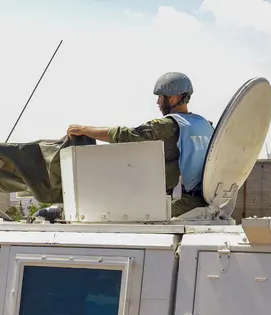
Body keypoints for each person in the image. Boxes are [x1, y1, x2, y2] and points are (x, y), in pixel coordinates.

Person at [66, 72, 215, 216]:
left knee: (123, 214)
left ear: (173, 98)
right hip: (206, 200)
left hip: (183, 203)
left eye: (160, 98)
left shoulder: (169, 125)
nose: (157, 102)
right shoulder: (204, 124)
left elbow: (126, 135)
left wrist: (85, 130)